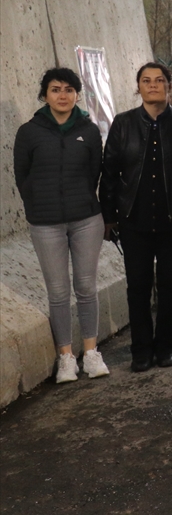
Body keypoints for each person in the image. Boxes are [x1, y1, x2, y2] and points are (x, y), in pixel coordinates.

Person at [14, 67, 109, 383]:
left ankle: (91, 353)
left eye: (69, 89)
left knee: (85, 286)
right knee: (57, 292)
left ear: (77, 95)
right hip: (45, 224)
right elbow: (22, 176)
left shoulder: (90, 131)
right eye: (56, 89)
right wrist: (40, 204)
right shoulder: (29, 132)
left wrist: (81, 198)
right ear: (45, 95)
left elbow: (94, 171)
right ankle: (66, 357)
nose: (63, 95)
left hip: (86, 220)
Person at [100, 62, 172, 372]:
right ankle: (141, 351)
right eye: (146, 80)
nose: (153, 85)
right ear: (138, 86)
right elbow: (109, 173)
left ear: (168, 84)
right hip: (133, 222)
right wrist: (109, 217)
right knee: (137, 287)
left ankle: (166, 348)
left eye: (159, 80)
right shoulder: (123, 124)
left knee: (169, 286)